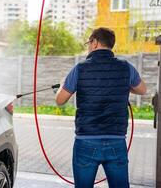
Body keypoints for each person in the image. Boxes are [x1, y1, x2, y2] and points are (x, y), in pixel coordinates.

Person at [55, 27, 146, 188]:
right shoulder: (126, 67)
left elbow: (60, 100)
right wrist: (123, 85)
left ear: (95, 42)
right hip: (116, 141)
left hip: (86, 141)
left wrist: (64, 83)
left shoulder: (80, 69)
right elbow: (142, 89)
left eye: (89, 43)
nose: (88, 46)